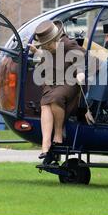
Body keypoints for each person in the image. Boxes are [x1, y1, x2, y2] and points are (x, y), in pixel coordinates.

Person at [29, 20, 86, 164]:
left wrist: (80, 72)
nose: (47, 47)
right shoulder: (49, 48)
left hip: (69, 82)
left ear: (55, 39)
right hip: (52, 82)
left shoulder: (68, 44)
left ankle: (58, 134)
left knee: (55, 98)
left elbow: (80, 58)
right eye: (45, 45)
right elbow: (48, 61)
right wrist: (38, 53)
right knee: (45, 103)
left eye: (48, 44)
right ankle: (45, 146)